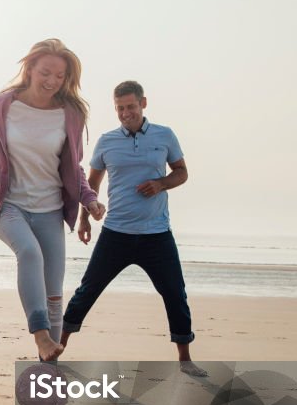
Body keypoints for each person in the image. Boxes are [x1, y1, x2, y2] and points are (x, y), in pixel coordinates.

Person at [0, 38, 105, 362]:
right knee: (28, 253)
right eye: (46, 72)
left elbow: (74, 168)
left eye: (60, 76)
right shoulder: (2, 106)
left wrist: (89, 200)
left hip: (50, 212)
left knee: (55, 297)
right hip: (7, 204)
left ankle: (49, 376)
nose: (52, 81)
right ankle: (41, 336)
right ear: (29, 69)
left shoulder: (70, 114)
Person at [61, 80, 207, 376]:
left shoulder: (164, 136)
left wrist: (161, 184)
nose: (125, 113)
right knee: (87, 291)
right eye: (119, 108)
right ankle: (55, 348)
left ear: (143, 103)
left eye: (130, 106)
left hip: (157, 235)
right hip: (116, 234)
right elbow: (92, 184)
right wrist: (84, 218)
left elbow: (182, 173)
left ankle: (185, 359)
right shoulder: (107, 141)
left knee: (175, 294)